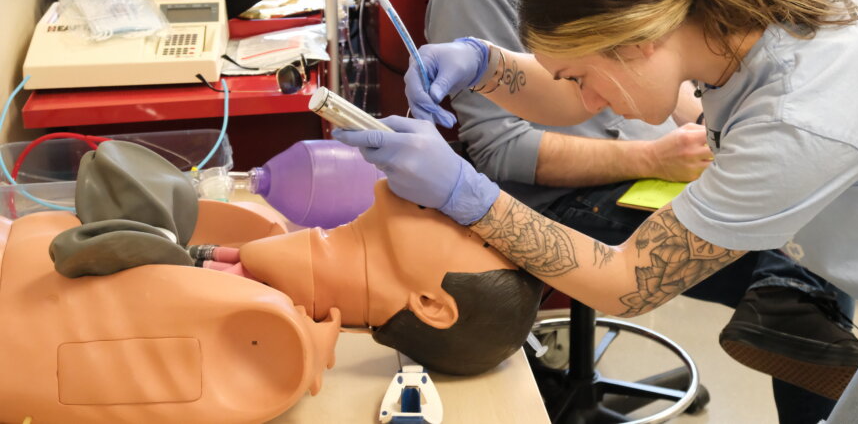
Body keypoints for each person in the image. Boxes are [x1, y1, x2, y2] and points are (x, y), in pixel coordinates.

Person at [335, 0, 858, 422]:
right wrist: (483, 64)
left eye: (587, 75)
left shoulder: (796, 116)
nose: (587, 101)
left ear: (640, 45)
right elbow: (581, 85)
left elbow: (624, 282)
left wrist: (465, 193)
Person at [423, 0, 858, 416]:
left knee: (813, 236)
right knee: (794, 275)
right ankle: (796, 326)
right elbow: (499, 150)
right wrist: (650, 159)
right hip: (571, 200)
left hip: (662, 163)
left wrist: (723, 130)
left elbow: (666, 67)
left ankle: (801, 327)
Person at [1, 141, 541, 423]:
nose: (475, 216)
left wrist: (298, 348)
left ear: (431, 304)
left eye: (482, 240)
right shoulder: (265, 234)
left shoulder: (270, 337)